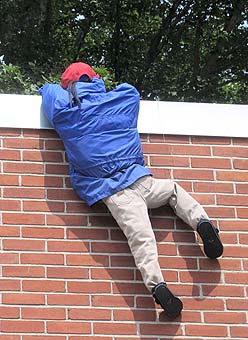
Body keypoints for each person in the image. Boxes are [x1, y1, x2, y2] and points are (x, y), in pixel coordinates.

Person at [39, 62, 223, 319]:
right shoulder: (121, 101)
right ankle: (203, 222)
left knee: (142, 240)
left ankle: (157, 286)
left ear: (69, 86)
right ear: (95, 80)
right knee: (173, 190)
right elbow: (130, 90)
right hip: (141, 180)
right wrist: (100, 86)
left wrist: (65, 87)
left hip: (115, 193)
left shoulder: (65, 112)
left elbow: (48, 92)